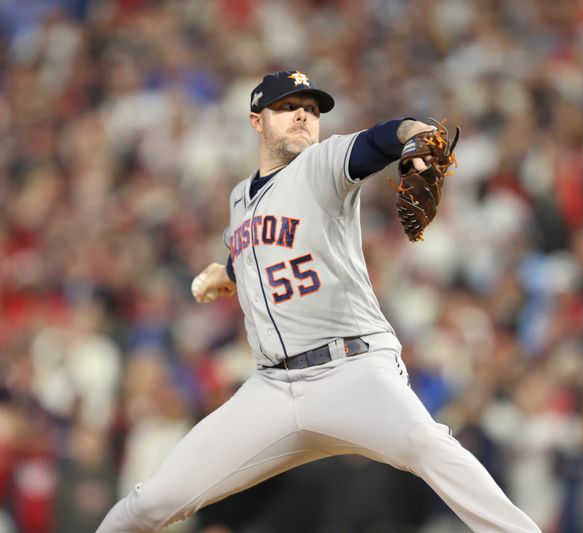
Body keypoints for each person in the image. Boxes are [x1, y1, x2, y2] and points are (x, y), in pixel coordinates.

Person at [96, 70, 540, 532]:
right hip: (272, 390)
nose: (304, 116)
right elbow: (254, 251)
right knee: (150, 502)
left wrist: (413, 132)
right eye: (289, 107)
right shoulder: (238, 200)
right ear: (256, 121)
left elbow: (377, 140)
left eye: (311, 109)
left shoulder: (321, 164)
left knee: (427, 446)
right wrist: (225, 274)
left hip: (352, 370)